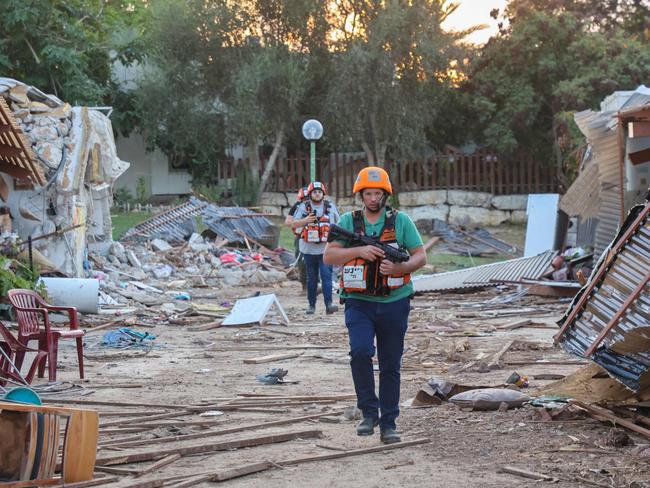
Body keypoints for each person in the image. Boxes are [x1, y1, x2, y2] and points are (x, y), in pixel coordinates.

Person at [323, 166, 426, 444]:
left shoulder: (401, 221)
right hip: (359, 303)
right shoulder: (348, 221)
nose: (372, 198)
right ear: (361, 194)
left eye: (377, 193)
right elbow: (329, 256)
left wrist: (398, 268)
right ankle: (368, 411)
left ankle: (388, 422)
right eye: (367, 193)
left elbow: (420, 256)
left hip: (395, 302)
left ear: (385, 194)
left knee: (391, 364)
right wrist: (359, 251)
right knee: (360, 352)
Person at [291, 181, 340, 315]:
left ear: (323, 194)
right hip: (308, 250)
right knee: (311, 278)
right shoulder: (303, 207)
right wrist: (306, 220)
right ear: (310, 194)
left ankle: (329, 304)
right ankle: (311, 305)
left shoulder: (330, 207)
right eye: (314, 192)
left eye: (319, 192)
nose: (317, 194)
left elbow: (339, 224)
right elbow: (293, 224)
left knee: (326, 277)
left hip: (325, 250)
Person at [284, 186, 309, 291]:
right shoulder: (297, 207)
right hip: (301, 237)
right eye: (305, 198)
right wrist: (302, 221)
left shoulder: (322, 206)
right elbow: (288, 222)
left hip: (318, 238)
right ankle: (305, 285)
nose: (307, 201)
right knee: (302, 262)